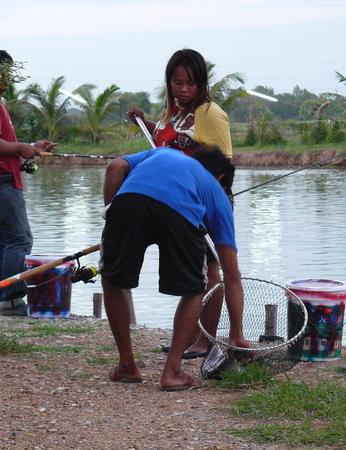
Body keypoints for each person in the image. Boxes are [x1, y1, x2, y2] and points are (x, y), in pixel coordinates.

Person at [99, 145, 249, 391]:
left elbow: (115, 166)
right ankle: (172, 372)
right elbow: (231, 276)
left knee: (113, 279)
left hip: (130, 200)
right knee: (194, 289)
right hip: (181, 214)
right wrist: (236, 334)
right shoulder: (218, 195)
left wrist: (112, 216)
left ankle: (127, 366)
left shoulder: (163, 153)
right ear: (221, 180)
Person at [126, 48, 233, 358]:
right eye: (177, 82)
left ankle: (204, 341)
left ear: (202, 83)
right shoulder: (173, 112)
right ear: (169, 82)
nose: (184, 89)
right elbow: (166, 146)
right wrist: (144, 122)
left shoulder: (209, 113)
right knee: (194, 273)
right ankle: (191, 338)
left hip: (202, 204)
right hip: (176, 206)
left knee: (210, 272)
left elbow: (222, 163)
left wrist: (208, 204)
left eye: (191, 83)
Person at [0, 48, 56, 316]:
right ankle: (13, 300)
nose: (8, 78)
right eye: (4, 72)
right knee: (19, 240)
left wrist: (30, 147)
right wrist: (21, 147)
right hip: (0, 185)